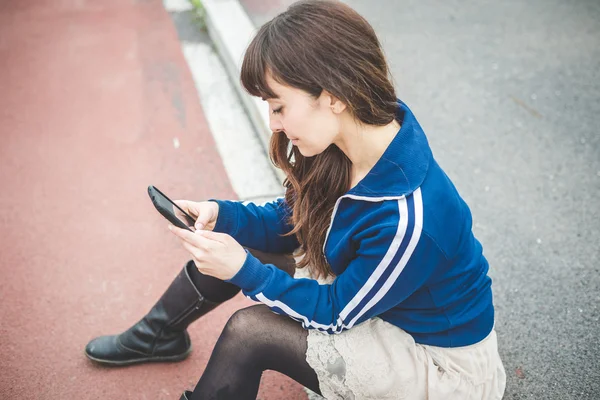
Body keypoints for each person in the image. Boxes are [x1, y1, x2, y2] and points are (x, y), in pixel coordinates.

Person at [85, 1, 507, 399]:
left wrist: (244, 271)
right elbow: (291, 221)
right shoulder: (346, 136)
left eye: (279, 106)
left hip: (436, 363)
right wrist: (223, 215)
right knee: (235, 250)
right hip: (377, 304)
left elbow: (336, 313)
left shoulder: (410, 217)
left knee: (251, 331)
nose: (274, 123)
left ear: (333, 96)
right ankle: (157, 335)